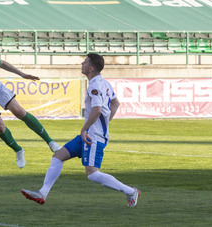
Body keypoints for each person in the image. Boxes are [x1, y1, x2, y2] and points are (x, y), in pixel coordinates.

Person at [21, 53, 140, 207]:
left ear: (91, 68)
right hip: (91, 134)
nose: (82, 64)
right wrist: (104, 123)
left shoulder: (95, 86)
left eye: (85, 62)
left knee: (92, 174)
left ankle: (130, 191)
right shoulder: (104, 83)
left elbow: (97, 110)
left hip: (93, 136)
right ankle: (42, 193)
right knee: (58, 156)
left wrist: (86, 128)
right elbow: (115, 104)